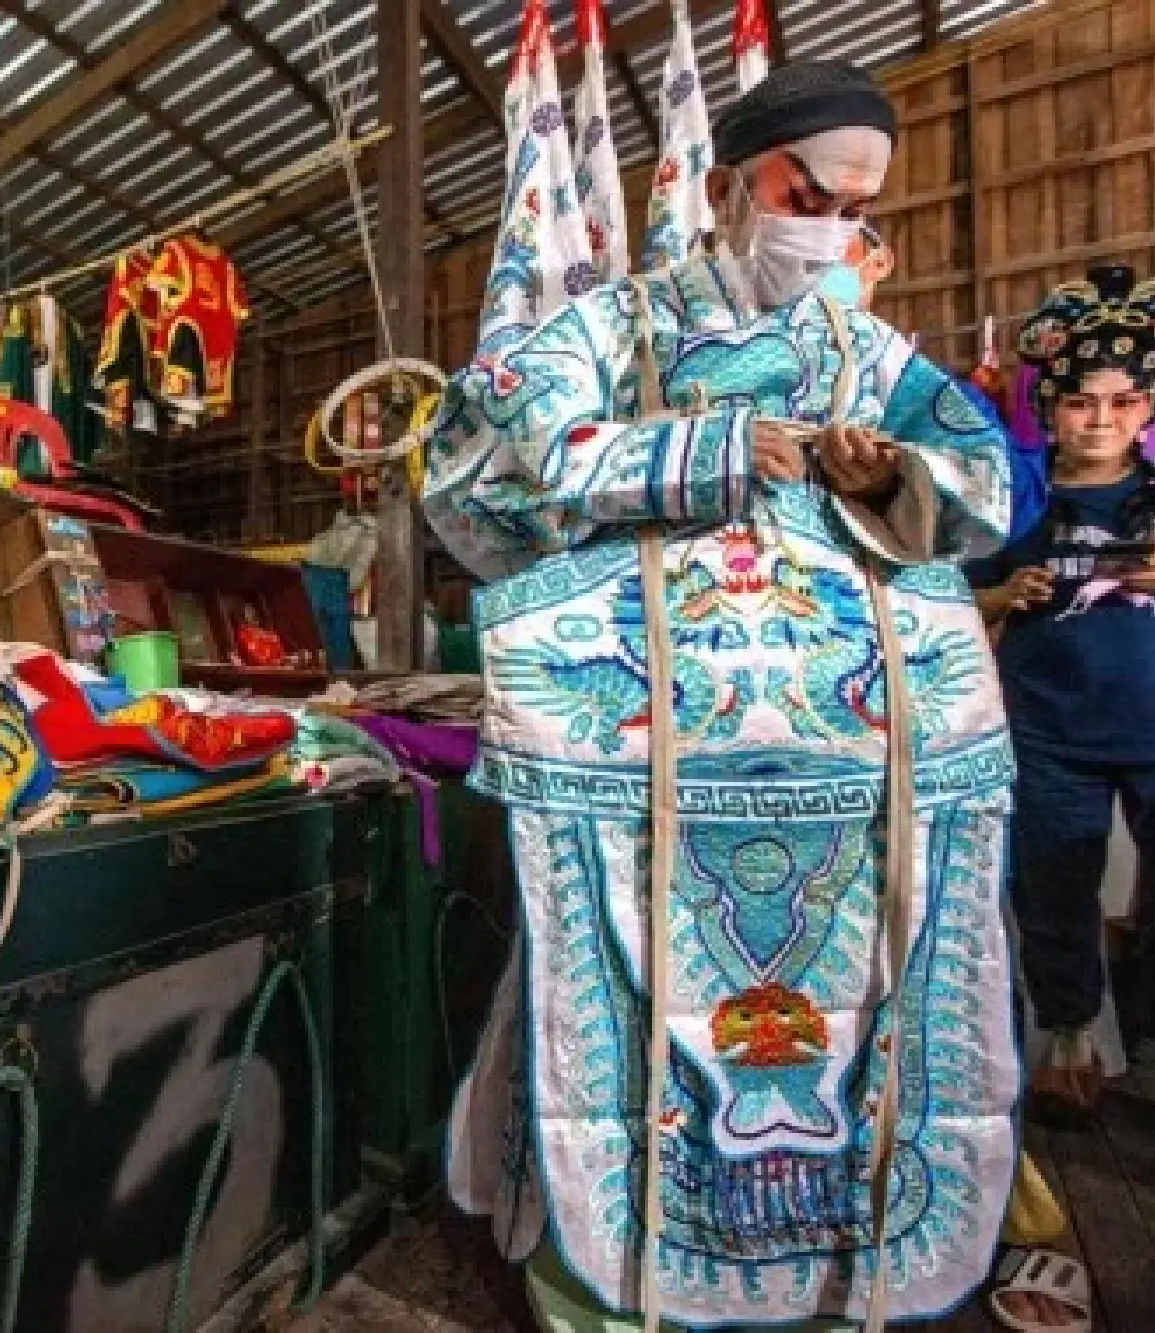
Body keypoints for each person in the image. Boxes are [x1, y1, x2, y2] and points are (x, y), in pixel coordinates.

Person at [427, 60, 1021, 1330]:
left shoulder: (867, 350)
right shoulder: (611, 328)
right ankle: (611, 1265)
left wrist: (885, 473)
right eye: (807, 191)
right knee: (622, 971)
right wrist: (695, 448)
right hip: (640, 743)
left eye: (857, 207)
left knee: (858, 980)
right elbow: (475, 462)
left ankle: (830, 1269)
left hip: (857, 751)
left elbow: (984, 480)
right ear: (723, 183)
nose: (830, 225)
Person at [969, 274, 1155, 1138]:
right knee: (1055, 887)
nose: (1100, 419)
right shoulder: (1010, 498)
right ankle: (1068, 1046)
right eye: (1082, 402)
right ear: (1050, 407)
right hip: (1050, 734)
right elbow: (941, 603)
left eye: (1123, 401)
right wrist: (998, 598)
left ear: (1150, 407)